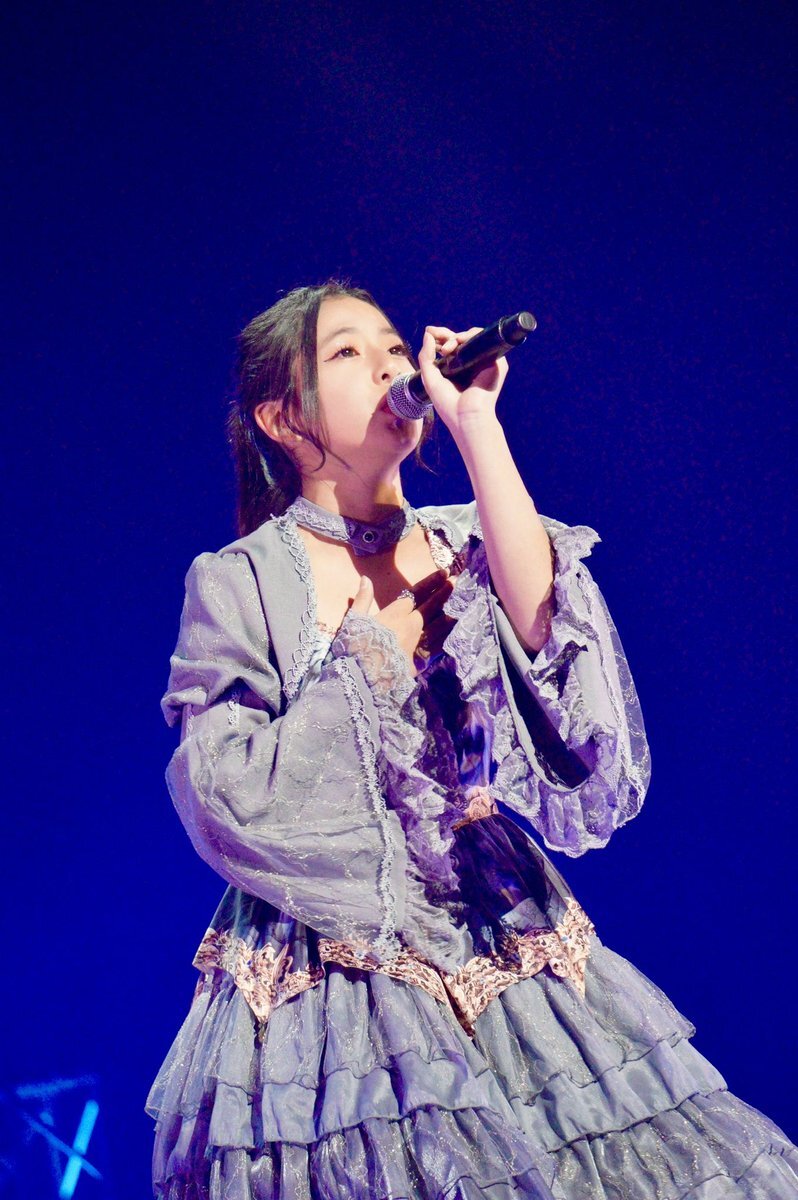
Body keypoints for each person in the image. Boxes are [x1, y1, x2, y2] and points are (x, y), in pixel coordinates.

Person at [146, 281, 798, 1199]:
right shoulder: (239, 580)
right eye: (346, 353)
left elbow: (550, 647)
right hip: (331, 966)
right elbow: (221, 787)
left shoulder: (467, 537)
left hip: (499, 925)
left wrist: (477, 425)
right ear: (284, 419)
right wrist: (374, 658)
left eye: (392, 346)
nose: (388, 365)